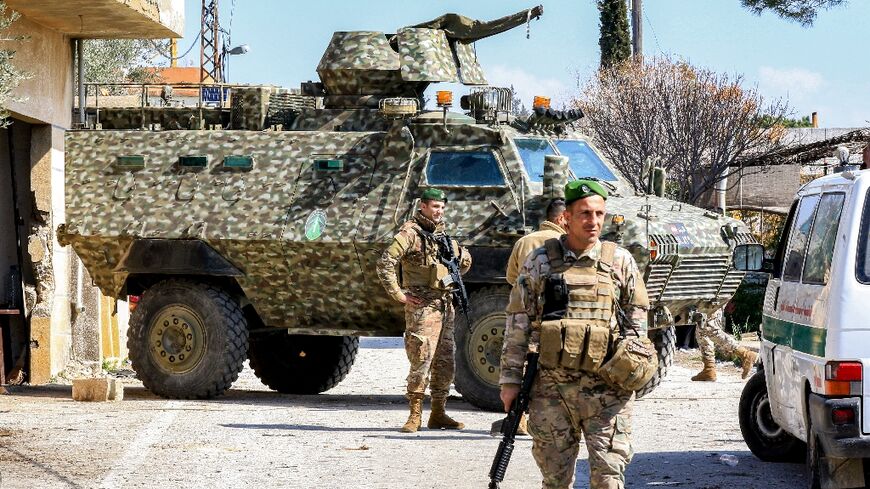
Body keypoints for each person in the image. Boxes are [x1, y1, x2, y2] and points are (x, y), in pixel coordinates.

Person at [500, 179, 649, 489]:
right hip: (553, 391)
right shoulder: (540, 261)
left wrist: (635, 371)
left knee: (609, 478)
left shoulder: (621, 261)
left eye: (598, 213)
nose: (592, 221)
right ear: (566, 217)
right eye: (584, 213)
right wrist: (510, 381)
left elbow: (638, 327)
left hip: (608, 392)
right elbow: (518, 323)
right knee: (555, 481)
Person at [377, 187, 472, 433]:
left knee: (445, 361)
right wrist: (399, 294)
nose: (438, 212)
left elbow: (463, 265)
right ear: (423, 207)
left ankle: (438, 413)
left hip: (444, 305)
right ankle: (414, 415)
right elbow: (385, 263)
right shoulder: (410, 234)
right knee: (421, 358)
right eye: (434, 207)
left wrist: (457, 260)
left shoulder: (443, 236)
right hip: (421, 305)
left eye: (442, 207)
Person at [492, 198, 568, 437]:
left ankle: (518, 418)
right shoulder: (562, 243)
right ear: (560, 219)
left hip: (524, 315)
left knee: (522, 365)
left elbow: (511, 276)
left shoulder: (524, 241)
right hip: (555, 317)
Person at [690, 309, 757, 381]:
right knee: (702, 332)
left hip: (709, 301)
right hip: (708, 301)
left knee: (710, 329)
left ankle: (745, 354)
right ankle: (709, 369)